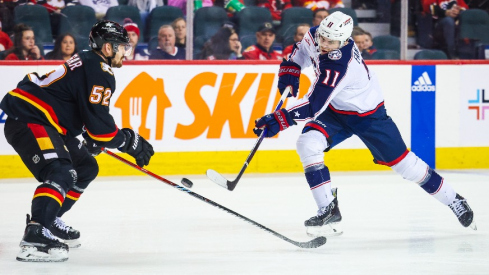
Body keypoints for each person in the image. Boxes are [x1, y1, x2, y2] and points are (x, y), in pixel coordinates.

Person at [252, 11, 476, 238]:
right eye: (323, 38)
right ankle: (328, 210)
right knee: (308, 144)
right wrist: (292, 67)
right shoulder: (316, 36)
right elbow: (301, 49)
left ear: (345, 40)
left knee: (406, 166)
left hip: (369, 117)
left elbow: (313, 106)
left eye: (331, 42)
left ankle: (453, 198)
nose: (324, 45)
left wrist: (280, 119)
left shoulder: (340, 63)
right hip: (336, 112)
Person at [0, 20, 154, 262]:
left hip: (48, 121)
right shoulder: (100, 71)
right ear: (107, 48)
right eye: (122, 47)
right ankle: (35, 235)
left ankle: (48, 220)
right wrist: (128, 142)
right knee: (61, 171)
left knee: (85, 167)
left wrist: (93, 136)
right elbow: (101, 129)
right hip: (31, 118)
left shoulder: (89, 61)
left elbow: (82, 112)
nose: (126, 52)